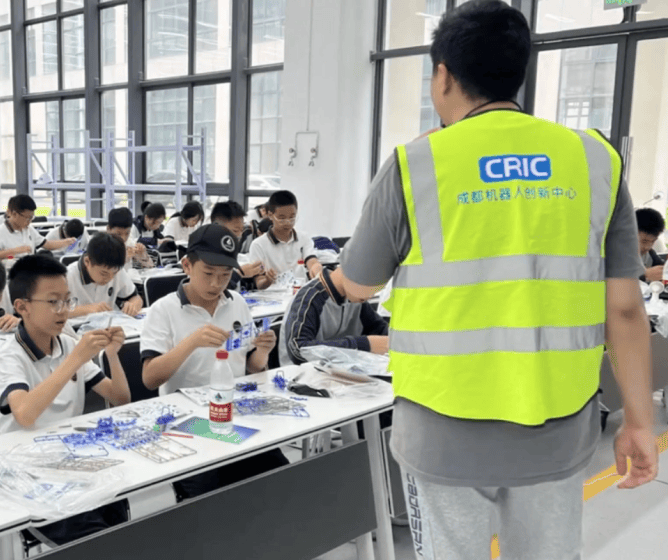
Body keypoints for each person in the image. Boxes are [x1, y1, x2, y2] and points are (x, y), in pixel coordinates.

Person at [338, 2, 658, 558]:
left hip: (442, 429)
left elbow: (358, 285)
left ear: (443, 76)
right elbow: (626, 310)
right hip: (558, 427)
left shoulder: (416, 165)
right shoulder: (594, 162)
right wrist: (639, 420)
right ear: (519, 71)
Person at [0, 254, 131, 543]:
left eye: (67, 301)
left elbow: (119, 397)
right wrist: (75, 359)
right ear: (22, 307)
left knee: (121, 509)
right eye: (53, 302)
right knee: (93, 534)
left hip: (71, 461)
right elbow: (25, 414)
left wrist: (112, 356)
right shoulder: (10, 357)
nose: (64, 311)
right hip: (28, 473)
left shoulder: (67, 344)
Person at [139, 224, 283, 501]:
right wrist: (191, 342)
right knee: (210, 498)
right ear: (187, 266)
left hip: (235, 414)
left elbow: (251, 367)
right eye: (208, 274)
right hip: (186, 421)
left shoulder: (237, 303)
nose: (217, 284)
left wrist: (263, 352)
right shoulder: (163, 310)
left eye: (225, 275)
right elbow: (149, 378)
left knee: (278, 478)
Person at [281, 267, 389, 365]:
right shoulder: (309, 298)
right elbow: (298, 350)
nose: (372, 295)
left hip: (340, 371)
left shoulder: (354, 296)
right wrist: (362, 344)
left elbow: (380, 329)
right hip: (302, 375)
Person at [248, 190, 322, 289]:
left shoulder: (303, 239)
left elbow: (311, 261)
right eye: (282, 218)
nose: (288, 222)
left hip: (299, 293)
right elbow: (259, 282)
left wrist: (317, 269)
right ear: (270, 215)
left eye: (292, 217)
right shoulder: (258, 245)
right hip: (272, 296)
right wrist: (267, 280)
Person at [65, 232, 144, 318]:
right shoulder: (67, 277)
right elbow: (54, 311)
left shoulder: (116, 270)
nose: (110, 279)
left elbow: (136, 298)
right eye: (104, 273)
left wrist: (132, 305)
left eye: (114, 273)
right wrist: (86, 309)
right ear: (87, 261)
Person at [0, 195, 76, 259]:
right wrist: (15, 251)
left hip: (29, 272)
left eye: (31, 218)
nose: (29, 221)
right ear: (14, 214)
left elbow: (47, 244)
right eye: (27, 218)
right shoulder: (0, 232)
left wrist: (67, 242)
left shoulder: (29, 230)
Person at [210, 201, 265, 289]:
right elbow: (211, 289)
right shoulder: (205, 255)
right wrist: (240, 273)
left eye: (241, 230)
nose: (239, 236)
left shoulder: (230, 252)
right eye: (235, 231)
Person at [636, 208, 665, 283]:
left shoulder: (650, 254)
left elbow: (662, 267)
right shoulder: (615, 254)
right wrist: (644, 275)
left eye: (652, 241)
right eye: (644, 241)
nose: (647, 247)